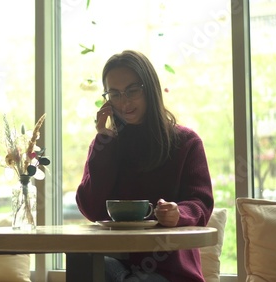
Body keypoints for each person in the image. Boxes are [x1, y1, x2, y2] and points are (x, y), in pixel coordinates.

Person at [76, 50, 214, 282]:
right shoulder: (106, 145)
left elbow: (201, 204)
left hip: (169, 271)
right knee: (86, 266)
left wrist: (178, 213)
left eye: (132, 90)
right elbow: (91, 209)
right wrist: (104, 141)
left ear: (149, 88)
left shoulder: (186, 143)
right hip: (117, 264)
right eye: (115, 94)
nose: (125, 102)